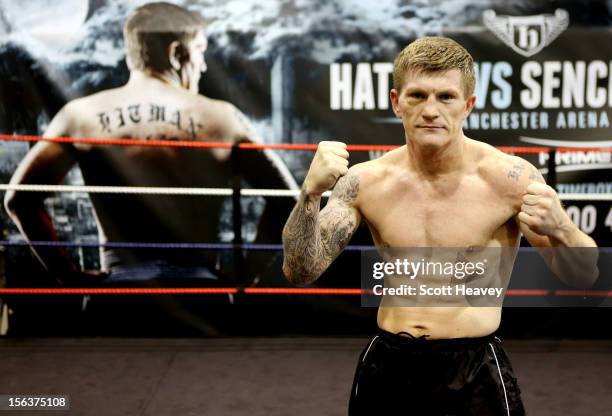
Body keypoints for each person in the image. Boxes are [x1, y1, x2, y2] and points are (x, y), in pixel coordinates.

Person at [282, 37, 598, 415]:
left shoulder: (509, 179)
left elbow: (584, 276)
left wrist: (563, 228)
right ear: (397, 102)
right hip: (389, 367)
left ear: (468, 106)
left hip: (474, 371)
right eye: (418, 95)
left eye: (445, 97)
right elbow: (300, 271)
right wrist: (310, 193)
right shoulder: (366, 182)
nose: (431, 110)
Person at [5, 2, 297, 286]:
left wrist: (66, 275)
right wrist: (247, 274)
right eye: (200, 52)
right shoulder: (223, 119)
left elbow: (19, 199)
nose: (203, 66)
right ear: (176, 54)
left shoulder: (80, 116)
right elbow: (288, 200)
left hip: (119, 294)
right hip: (200, 295)